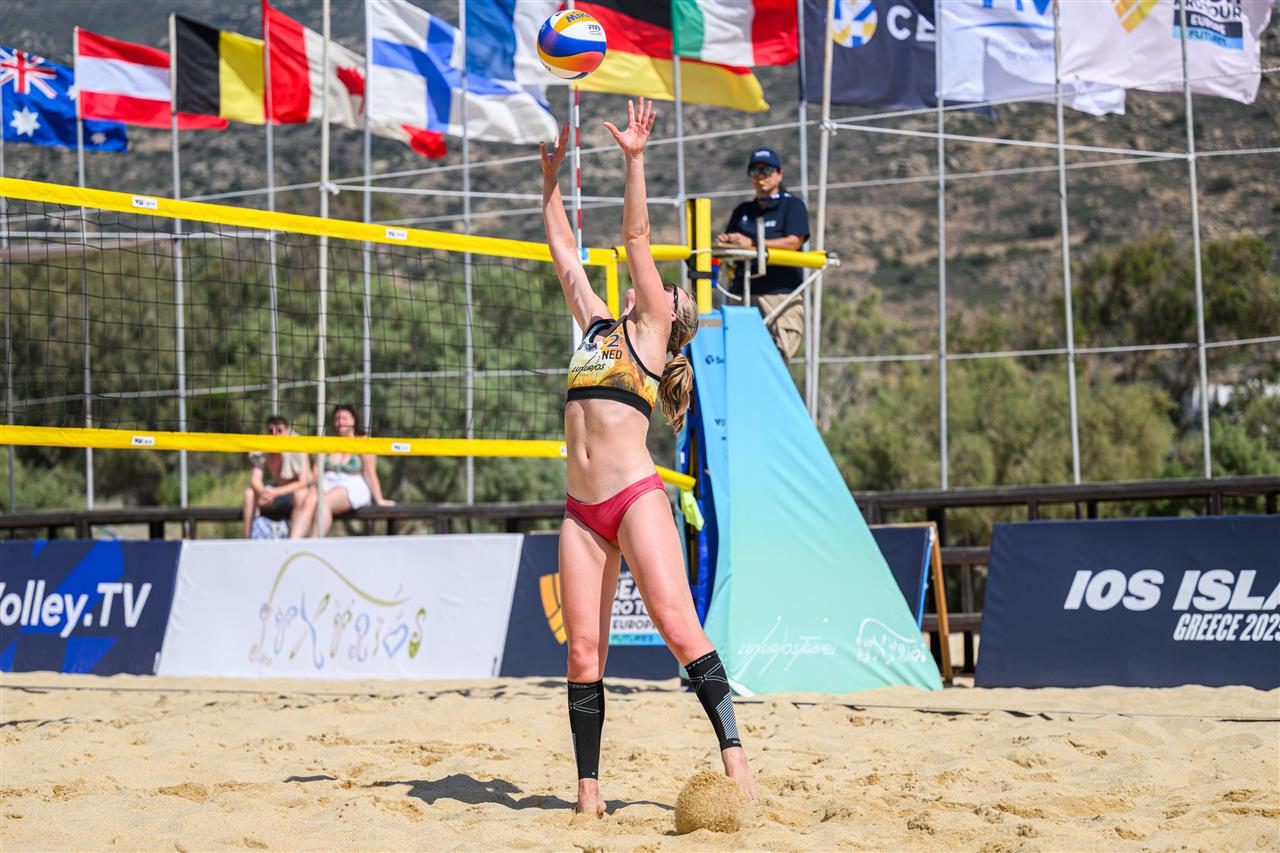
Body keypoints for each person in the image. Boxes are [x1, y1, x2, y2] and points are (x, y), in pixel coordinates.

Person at [540, 98, 756, 817]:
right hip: (581, 510)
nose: (649, 278)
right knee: (583, 653)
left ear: (670, 308)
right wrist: (549, 183)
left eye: (665, 285)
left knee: (678, 628)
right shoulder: (599, 326)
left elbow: (635, 233)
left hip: (633, 498)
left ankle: (735, 759)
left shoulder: (652, 329)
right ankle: (589, 792)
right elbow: (564, 257)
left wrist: (634, 159)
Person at [714, 147, 811, 362]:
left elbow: (794, 242)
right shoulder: (743, 211)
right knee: (737, 358)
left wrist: (752, 244)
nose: (761, 177)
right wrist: (727, 242)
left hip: (778, 294)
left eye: (766, 171)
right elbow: (733, 243)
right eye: (755, 171)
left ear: (779, 174)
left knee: (775, 358)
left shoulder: (792, 206)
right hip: (741, 292)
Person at [313, 404, 395, 537]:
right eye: (337, 418)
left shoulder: (363, 441)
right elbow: (316, 469)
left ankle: (313, 543)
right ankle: (294, 542)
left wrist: (379, 499)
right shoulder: (329, 441)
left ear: (353, 420)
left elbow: (370, 472)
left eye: (344, 418)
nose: (340, 422)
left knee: (324, 502)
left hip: (352, 486)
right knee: (304, 499)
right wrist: (316, 486)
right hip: (327, 484)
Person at [242, 415, 315, 539]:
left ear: (287, 431)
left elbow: (302, 482)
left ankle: (294, 540)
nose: (275, 434)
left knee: (300, 494)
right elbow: (255, 479)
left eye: (279, 430)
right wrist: (263, 492)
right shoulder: (264, 446)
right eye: (271, 431)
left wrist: (275, 492)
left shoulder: (299, 444)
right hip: (275, 492)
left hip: (293, 494)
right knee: (249, 494)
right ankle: (248, 539)